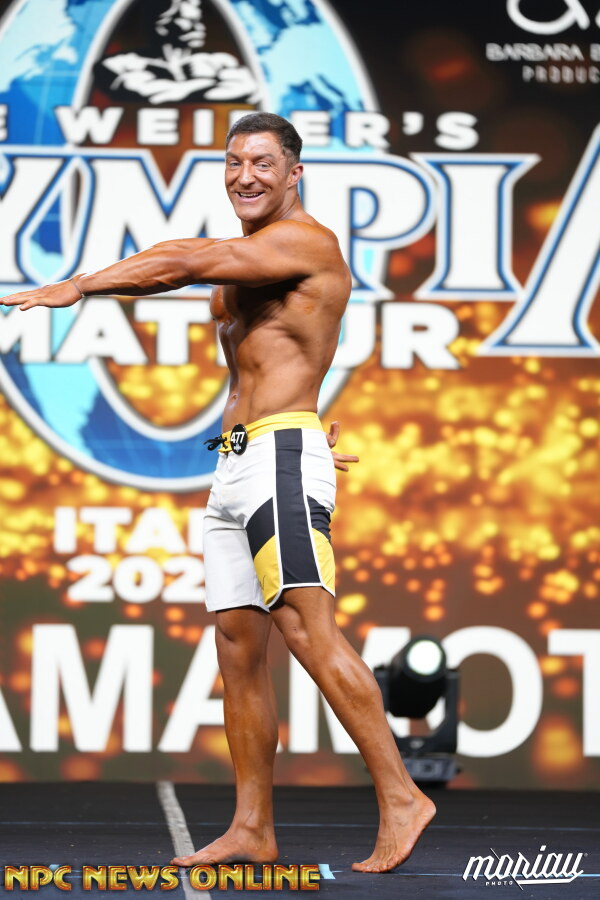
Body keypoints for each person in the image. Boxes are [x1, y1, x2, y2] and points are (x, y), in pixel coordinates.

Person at [0, 112, 435, 873]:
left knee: (308, 631)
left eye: (262, 162)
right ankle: (252, 827)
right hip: (238, 462)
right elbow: (219, 305)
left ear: (295, 172)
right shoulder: (249, 259)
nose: (245, 176)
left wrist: (81, 284)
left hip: (280, 455)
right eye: (234, 162)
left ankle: (402, 796)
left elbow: (183, 261)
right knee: (237, 648)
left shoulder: (307, 243)